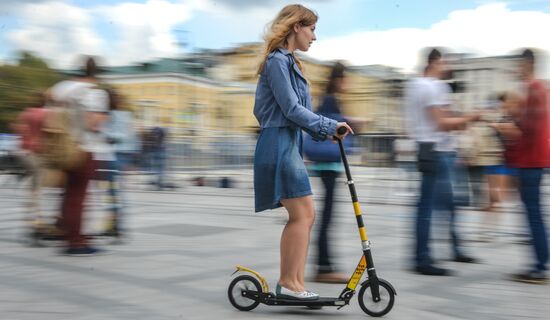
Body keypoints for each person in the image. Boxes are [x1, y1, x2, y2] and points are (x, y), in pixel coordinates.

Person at [253, 4, 352, 300]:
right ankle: (289, 283)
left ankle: (293, 282)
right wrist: (328, 125)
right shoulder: (276, 62)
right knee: (303, 213)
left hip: (289, 142)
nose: (315, 37)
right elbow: (291, 109)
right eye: (312, 29)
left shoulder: (292, 63)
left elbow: (300, 113)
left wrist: (326, 133)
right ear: (296, 26)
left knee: (304, 215)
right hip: (278, 143)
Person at [404, 48, 480, 276]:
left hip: (431, 149)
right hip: (436, 151)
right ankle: (422, 259)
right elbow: (441, 123)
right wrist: (471, 118)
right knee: (428, 206)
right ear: (435, 62)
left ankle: (453, 248)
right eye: (447, 61)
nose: (449, 65)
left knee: (447, 203)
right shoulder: (431, 86)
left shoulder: (416, 85)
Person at [494, 49, 550, 283]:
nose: (517, 68)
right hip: (529, 161)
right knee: (532, 212)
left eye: (519, 63)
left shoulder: (535, 90)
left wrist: (506, 129)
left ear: (528, 63)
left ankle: (539, 266)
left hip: (531, 161)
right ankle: (539, 262)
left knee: (533, 214)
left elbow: (530, 130)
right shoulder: (534, 91)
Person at [50, 57, 110, 255]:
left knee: (69, 194)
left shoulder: (64, 87)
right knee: (79, 196)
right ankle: (76, 242)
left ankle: (69, 235)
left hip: (65, 147)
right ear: (96, 75)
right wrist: (101, 122)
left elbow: (49, 98)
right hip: (84, 148)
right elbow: (92, 122)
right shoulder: (94, 93)